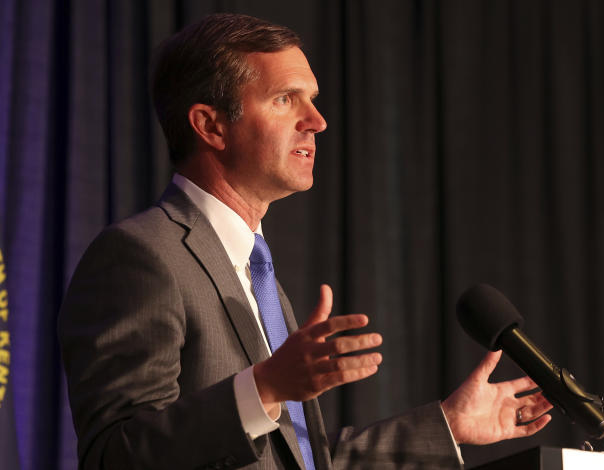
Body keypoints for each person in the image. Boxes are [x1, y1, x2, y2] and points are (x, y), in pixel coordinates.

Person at [58, 13, 552, 470]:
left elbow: (300, 461)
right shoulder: (143, 255)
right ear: (211, 125)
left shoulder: (257, 271)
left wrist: (447, 425)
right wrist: (265, 387)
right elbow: (113, 455)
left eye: (311, 99)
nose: (316, 121)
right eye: (284, 99)